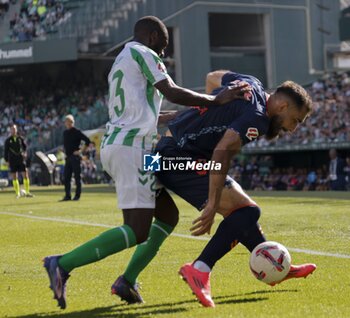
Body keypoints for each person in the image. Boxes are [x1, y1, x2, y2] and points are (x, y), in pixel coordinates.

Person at [43, 16, 251, 309]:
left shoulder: (122, 60)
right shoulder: (144, 52)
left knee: (167, 216)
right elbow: (171, 90)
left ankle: (127, 280)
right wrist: (215, 100)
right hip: (132, 149)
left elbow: (142, 111)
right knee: (137, 229)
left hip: (128, 145)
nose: (163, 54)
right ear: (152, 36)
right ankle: (62, 264)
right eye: (163, 47)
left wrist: (178, 116)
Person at [118, 70, 316, 307]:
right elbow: (221, 151)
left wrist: (210, 108)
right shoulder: (258, 118)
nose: (292, 129)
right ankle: (200, 269)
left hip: (169, 153)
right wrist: (212, 204)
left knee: (244, 213)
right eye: (295, 121)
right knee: (247, 212)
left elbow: (212, 77)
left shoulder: (251, 84)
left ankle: (276, 264)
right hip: (173, 158)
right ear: (282, 106)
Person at [60, 115, 91, 201]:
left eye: (69, 121)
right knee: (67, 177)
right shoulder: (65, 133)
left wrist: (80, 151)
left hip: (75, 157)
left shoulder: (77, 131)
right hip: (68, 157)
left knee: (77, 177)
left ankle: (77, 195)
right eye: (66, 121)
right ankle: (67, 195)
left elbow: (87, 141)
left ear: (72, 122)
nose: (68, 123)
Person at [4, 124, 33, 198]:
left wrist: (25, 153)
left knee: (25, 175)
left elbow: (25, 147)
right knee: (14, 176)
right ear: (10, 130)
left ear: (16, 130)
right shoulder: (8, 141)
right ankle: (17, 193)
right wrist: (7, 160)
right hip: (12, 160)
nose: (13, 130)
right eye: (12, 129)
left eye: (14, 129)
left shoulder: (20, 138)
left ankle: (27, 192)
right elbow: (6, 151)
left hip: (20, 159)